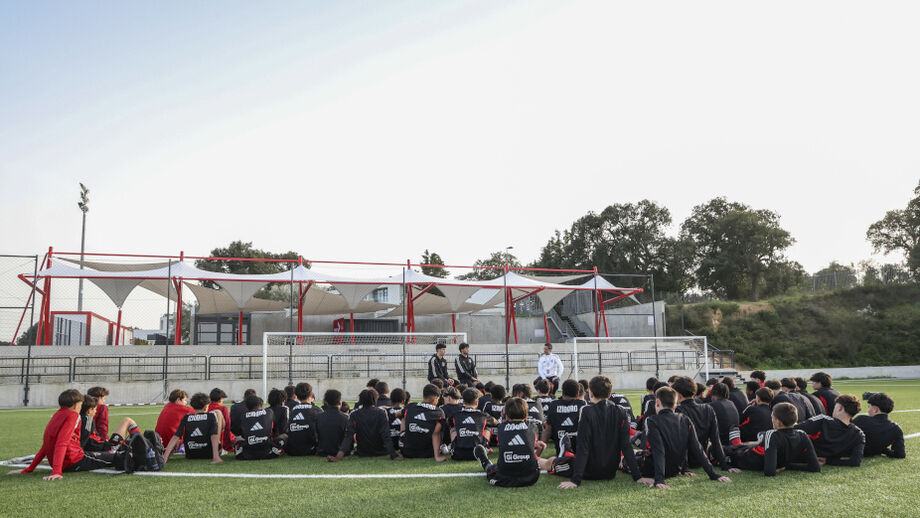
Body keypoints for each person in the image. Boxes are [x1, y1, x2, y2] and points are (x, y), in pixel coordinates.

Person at [10, 389, 142, 480]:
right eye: (80, 405)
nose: (80, 408)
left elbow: (47, 445)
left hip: (70, 460)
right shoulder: (73, 416)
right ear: (74, 406)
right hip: (74, 461)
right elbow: (62, 442)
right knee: (115, 457)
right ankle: (145, 455)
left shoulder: (57, 415)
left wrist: (30, 468)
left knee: (111, 455)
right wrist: (57, 471)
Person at [544, 376, 643, 489]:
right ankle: (565, 450)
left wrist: (575, 480)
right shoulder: (621, 411)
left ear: (590, 393)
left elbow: (583, 447)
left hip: (589, 470)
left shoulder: (586, 411)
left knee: (550, 462)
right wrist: (637, 476)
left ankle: (544, 458)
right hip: (610, 472)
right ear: (609, 395)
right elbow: (626, 446)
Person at [635, 386, 732, 488]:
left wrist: (659, 480)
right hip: (676, 470)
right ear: (675, 404)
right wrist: (713, 474)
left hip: (652, 469)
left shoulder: (652, 420)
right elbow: (697, 448)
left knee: (632, 455)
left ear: (657, 402)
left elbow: (659, 451)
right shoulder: (685, 419)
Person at [729, 402, 821, 476]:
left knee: (732, 436)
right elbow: (815, 467)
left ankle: (737, 439)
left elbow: (769, 472)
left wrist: (785, 466)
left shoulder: (772, 434)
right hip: (751, 450)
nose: (771, 420)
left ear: (778, 422)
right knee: (753, 443)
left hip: (739, 457)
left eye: (772, 417)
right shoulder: (802, 434)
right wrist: (787, 466)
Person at [473, 397, 543, 488]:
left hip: (504, 478)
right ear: (526, 416)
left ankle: (484, 460)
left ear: (507, 416)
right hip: (531, 477)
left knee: (491, 469)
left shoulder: (501, 428)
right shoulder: (533, 427)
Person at [672, 377, 735, 473]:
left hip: (686, 461)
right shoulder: (708, 408)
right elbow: (715, 439)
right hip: (703, 458)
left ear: (678, 395)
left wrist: (685, 468)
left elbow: (681, 441)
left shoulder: (679, 411)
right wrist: (724, 464)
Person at [330, 389, 401, 461]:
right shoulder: (381, 412)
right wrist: (393, 455)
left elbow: (349, 436)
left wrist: (338, 456)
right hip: (381, 451)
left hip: (362, 452)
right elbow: (385, 434)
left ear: (360, 400)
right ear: (375, 399)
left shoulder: (354, 414)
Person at [795, 393, 865, 467]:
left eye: (835, 406)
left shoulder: (823, 420)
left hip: (799, 456)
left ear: (840, 408)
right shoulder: (858, 434)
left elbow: (793, 428)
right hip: (813, 458)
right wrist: (828, 461)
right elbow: (855, 462)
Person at [164, 392, 222, 464]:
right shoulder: (211, 416)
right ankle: (217, 452)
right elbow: (214, 436)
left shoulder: (186, 417)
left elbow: (176, 437)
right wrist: (216, 457)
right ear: (206, 407)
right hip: (208, 454)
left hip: (191, 454)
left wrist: (164, 458)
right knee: (218, 413)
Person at [400, 384, 447, 461]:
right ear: (436, 397)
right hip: (428, 453)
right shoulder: (438, 411)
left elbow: (397, 414)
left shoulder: (410, 406)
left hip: (407, 452)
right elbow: (436, 434)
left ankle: (401, 443)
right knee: (440, 426)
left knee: (404, 417)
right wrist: (437, 456)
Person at [853, 392, 905, 459]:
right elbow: (900, 454)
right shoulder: (896, 428)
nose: (868, 411)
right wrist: (883, 450)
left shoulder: (861, 419)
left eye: (869, 407)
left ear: (875, 409)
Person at [542, 379, 587, 456]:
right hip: (580, 452)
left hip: (561, 453)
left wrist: (541, 443)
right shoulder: (582, 404)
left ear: (562, 392)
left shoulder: (553, 404)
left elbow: (548, 430)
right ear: (577, 395)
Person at [234, 395, 286, 460]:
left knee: (237, 438)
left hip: (246, 455)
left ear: (246, 407)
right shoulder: (269, 412)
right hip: (270, 453)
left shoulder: (243, 416)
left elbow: (242, 434)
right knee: (284, 436)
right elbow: (275, 431)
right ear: (260, 405)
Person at [448, 388, 490, 461]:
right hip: (479, 455)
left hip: (458, 454)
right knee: (488, 428)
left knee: (453, 428)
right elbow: (496, 422)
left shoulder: (456, 415)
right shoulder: (483, 415)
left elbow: (448, 422)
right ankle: (485, 448)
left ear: (463, 402)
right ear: (477, 402)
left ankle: (453, 448)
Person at [286, 384, 323, 456]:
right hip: (312, 449)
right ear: (311, 394)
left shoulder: (292, 410)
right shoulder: (317, 410)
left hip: (292, 450)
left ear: (297, 396)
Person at [317, 389, 349, 457]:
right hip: (342, 452)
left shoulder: (319, 417)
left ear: (326, 402)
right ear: (340, 402)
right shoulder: (346, 418)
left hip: (322, 452)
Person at [207, 388, 234, 452]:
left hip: (206, 438)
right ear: (220, 399)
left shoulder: (206, 407)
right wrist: (227, 446)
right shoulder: (223, 409)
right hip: (220, 439)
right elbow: (227, 427)